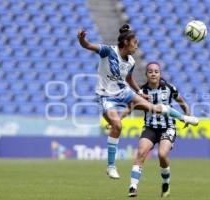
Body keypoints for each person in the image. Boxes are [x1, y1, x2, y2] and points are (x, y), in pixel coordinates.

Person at [77, 24, 199, 179]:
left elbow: (128, 78)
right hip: (105, 95)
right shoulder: (108, 51)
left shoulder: (131, 62)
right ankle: (111, 167)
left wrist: (140, 92)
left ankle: (184, 118)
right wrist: (82, 39)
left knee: (153, 107)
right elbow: (87, 45)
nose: (137, 46)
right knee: (117, 125)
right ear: (127, 42)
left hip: (123, 91)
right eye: (135, 43)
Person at [124, 62, 197, 197]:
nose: (153, 73)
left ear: (160, 73)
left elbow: (181, 101)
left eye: (156, 71)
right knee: (140, 153)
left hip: (167, 127)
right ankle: (133, 187)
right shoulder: (142, 91)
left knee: (162, 155)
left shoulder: (169, 88)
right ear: (146, 74)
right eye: (150, 71)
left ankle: (166, 183)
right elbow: (131, 107)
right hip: (150, 127)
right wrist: (119, 118)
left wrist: (187, 113)